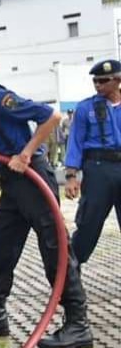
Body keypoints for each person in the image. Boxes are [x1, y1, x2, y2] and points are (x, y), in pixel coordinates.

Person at [0, 46, 92, 348]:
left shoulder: (0, 98)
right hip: (12, 183)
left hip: (32, 178)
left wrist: (25, 154)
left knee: (55, 249)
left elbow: (51, 116)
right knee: (1, 242)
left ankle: (78, 325)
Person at [64, 59, 121, 315]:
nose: (98, 85)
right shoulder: (86, 108)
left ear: (117, 80)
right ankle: (71, 275)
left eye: (103, 81)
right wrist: (71, 175)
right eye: (95, 81)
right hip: (98, 169)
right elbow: (75, 142)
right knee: (88, 224)